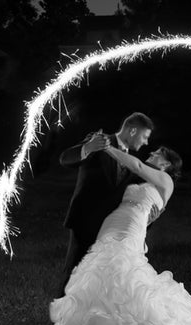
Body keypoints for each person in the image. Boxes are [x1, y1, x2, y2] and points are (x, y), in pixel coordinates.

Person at [50, 145, 191, 325]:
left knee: (123, 266)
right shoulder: (143, 180)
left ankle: (127, 321)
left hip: (132, 225)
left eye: (156, 154)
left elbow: (136, 164)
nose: (151, 154)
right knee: (101, 267)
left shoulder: (166, 181)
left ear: (166, 163)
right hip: (111, 223)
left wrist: (107, 147)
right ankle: (100, 320)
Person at [58, 112, 154, 297]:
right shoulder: (99, 140)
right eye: (145, 137)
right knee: (74, 270)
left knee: (98, 276)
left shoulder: (131, 160)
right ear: (133, 130)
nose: (146, 143)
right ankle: (59, 318)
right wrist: (88, 147)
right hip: (86, 220)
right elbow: (65, 158)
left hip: (110, 227)